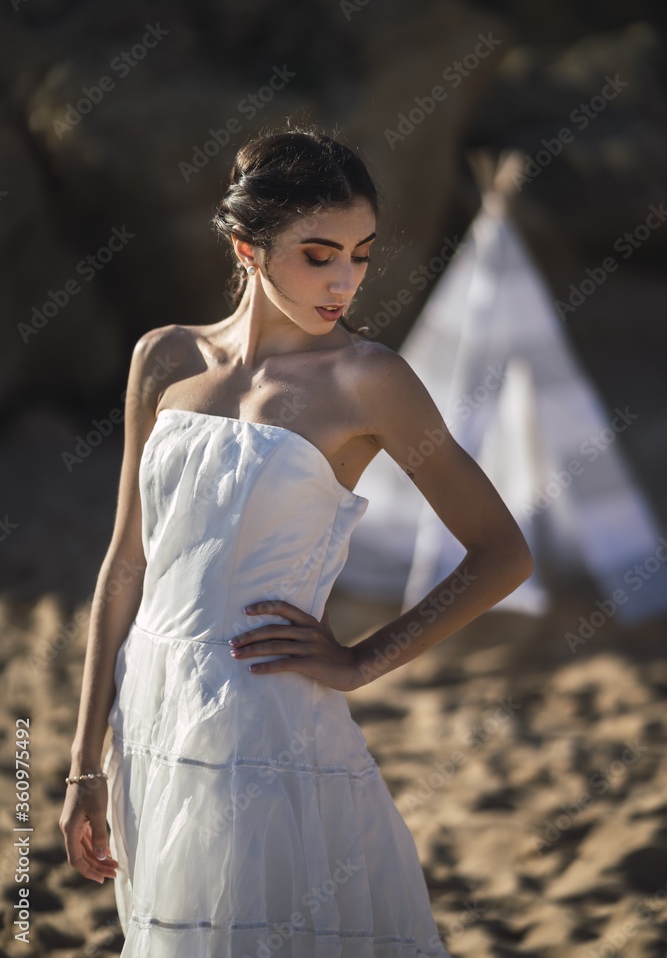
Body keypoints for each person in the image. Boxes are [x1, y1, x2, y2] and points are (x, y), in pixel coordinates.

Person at [59, 123, 534, 957]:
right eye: (318, 254)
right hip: (150, 718)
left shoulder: (368, 380)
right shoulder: (164, 360)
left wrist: (360, 661)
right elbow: (126, 562)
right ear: (247, 247)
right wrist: (80, 764)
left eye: (360, 253)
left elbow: (502, 553)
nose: (345, 280)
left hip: (270, 721)